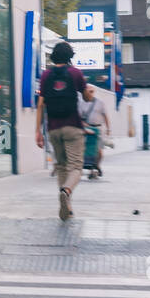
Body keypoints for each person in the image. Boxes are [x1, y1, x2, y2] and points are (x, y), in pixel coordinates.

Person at [35, 41, 87, 220]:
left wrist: (38, 131)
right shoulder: (76, 73)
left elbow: (41, 104)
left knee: (61, 167)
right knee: (76, 167)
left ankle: (66, 207)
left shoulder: (46, 75)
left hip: (53, 129)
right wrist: (89, 91)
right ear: (70, 57)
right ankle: (66, 191)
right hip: (73, 126)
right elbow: (86, 98)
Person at [79, 85, 112, 179]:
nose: (90, 93)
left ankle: (97, 165)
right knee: (87, 151)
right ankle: (91, 170)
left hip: (97, 129)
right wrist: (84, 125)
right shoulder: (81, 104)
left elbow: (105, 115)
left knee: (99, 151)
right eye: (89, 91)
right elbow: (79, 118)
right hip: (86, 129)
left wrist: (108, 128)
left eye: (92, 91)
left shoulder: (100, 103)